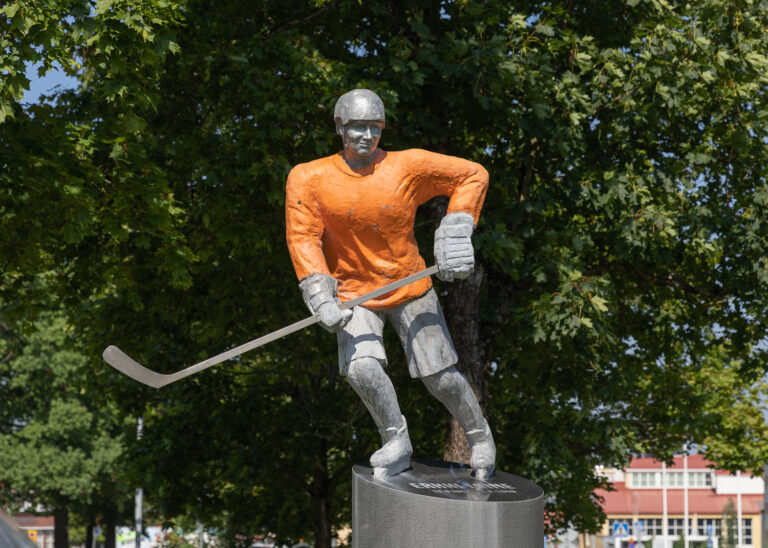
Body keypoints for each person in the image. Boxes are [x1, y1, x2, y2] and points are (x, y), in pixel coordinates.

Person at [285, 88, 495, 480]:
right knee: (361, 369)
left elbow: (472, 174)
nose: (366, 135)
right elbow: (302, 237)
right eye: (356, 127)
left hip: (410, 283)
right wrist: (319, 294)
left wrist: (457, 227)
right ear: (338, 127)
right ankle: (396, 439)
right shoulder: (308, 177)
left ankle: (480, 437)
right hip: (355, 293)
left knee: (441, 378)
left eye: (374, 127)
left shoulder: (407, 166)